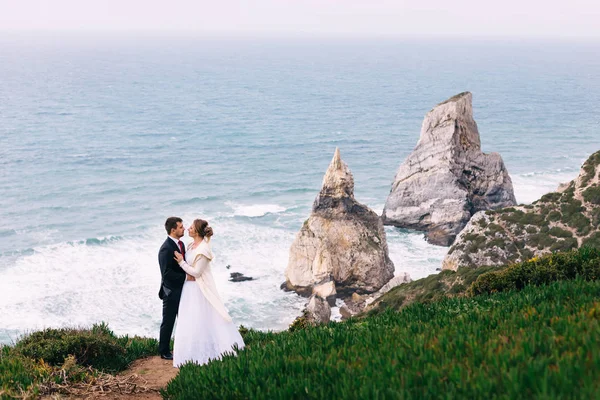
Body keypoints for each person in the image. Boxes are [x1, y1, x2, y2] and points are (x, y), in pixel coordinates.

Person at [172, 218, 245, 367]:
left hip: (199, 289)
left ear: (198, 231)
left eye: (191, 227)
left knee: (204, 317)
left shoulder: (204, 249)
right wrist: (185, 271)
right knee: (191, 319)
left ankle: (213, 351)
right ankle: (192, 353)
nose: (188, 229)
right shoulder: (190, 245)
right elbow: (190, 270)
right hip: (189, 288)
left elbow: (197, 272)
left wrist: (181, 262)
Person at [157, 216, 194, 360]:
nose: (183, 228)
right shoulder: (165, 249)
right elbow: (166, 274)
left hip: (183, 290)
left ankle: (183, 347)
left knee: (184, 320)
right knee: (168, 321)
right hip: (171, 292)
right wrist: (186, 277)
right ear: (173, 230)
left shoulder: (181, 244)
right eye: (180, 227)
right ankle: (164, 351)